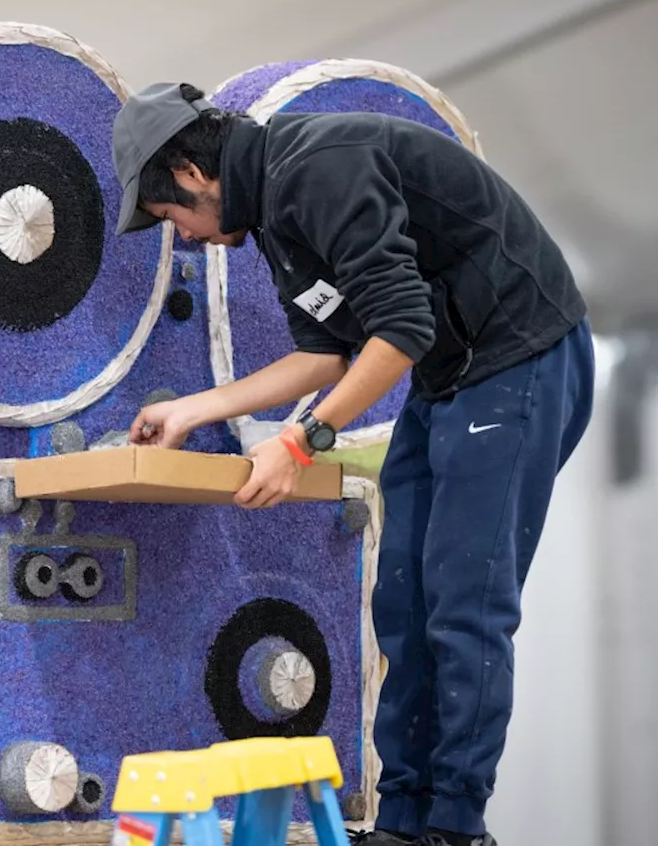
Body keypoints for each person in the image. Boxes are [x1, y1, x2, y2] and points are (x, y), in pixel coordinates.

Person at [111, 83, 595, 846]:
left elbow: (400, 326)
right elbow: (323, 355)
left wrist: (302, 443)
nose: (188, 236)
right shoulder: (272, 212)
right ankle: (406, 822)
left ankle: (457, 828)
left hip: (520, 358)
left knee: (465, 604)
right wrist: (195, 409)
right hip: (451, 375)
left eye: (171, 215)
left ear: (191, 170)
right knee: (401, 602)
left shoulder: (319, 169)